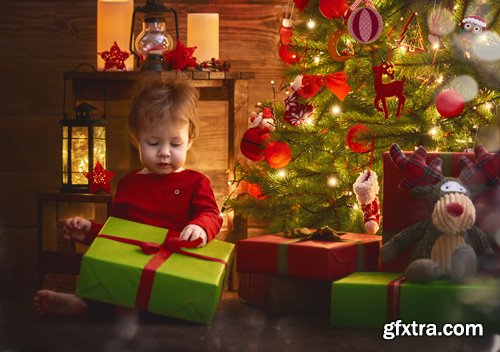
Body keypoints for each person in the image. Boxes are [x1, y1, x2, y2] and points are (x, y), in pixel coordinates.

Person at [34, 76, 223, 316]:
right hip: (131, 267)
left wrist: (201, 226)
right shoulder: (129, 184)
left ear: (190, 141)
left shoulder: (196, 182)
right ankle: (87, 304)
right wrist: (90, 232)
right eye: (154, 143)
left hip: (176, 269)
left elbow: (211, 214)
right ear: (136, 140)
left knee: (161, 300)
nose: (164, 153)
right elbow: (117, 236)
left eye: (175, 144)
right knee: (115, 281)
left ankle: (106, 308)